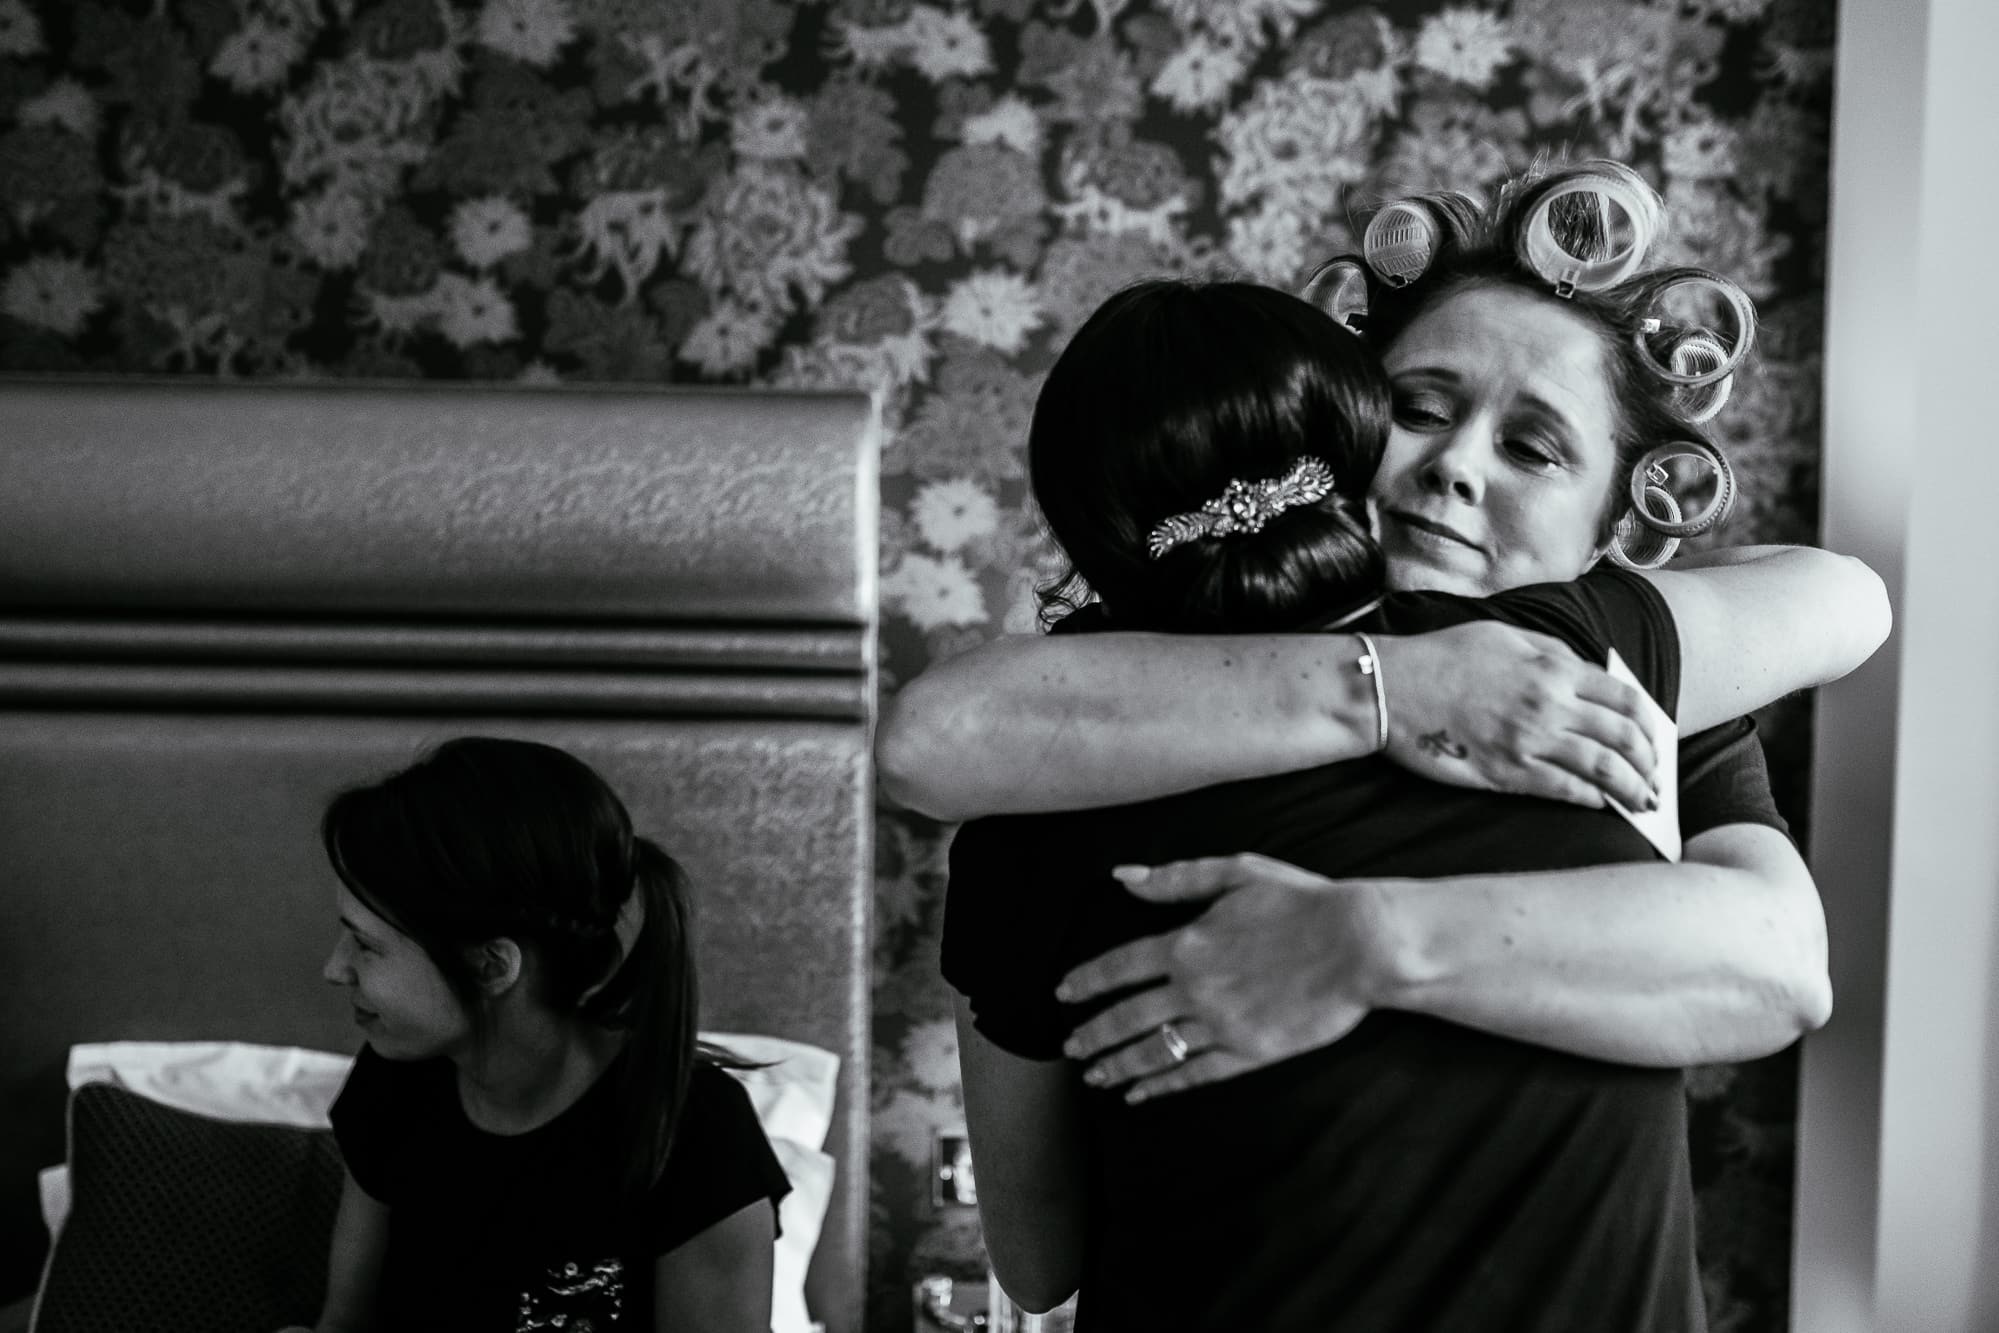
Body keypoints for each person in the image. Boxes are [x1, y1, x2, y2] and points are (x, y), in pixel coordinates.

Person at [933, 172, 1887, 1330]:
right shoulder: (1094, 713)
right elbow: (937, 735)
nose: (1454, 466)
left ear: (1610, 540)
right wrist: (1400, 684)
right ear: (1331, 420)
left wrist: (1358, 943)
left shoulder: (1617, 680)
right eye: (1419, 408)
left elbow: (1779, 964)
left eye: (1535, 449)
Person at [294, 737, 789, 1333]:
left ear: (492, 966)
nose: (334, 968)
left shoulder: (699, 1137)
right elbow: (344, 1326)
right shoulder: (395, 1080)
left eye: (368, 945)